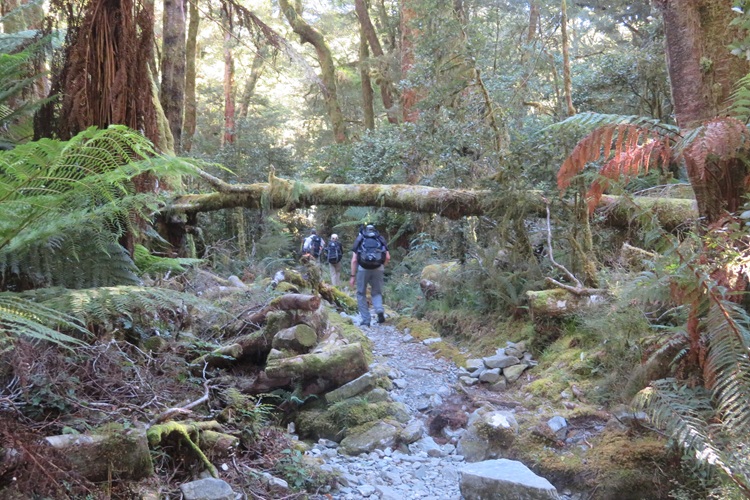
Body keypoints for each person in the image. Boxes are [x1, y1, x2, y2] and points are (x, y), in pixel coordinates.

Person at [349, 224, 390, 326]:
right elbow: (388, 257)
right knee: (377, 292)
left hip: (363, 269)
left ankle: (366, 320)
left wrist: (353, 276)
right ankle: (379, 310)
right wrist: (381, 266)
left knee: (360, 293)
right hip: (378, 268)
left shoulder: (360, 238)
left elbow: (354, 260)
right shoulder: (380, 239)